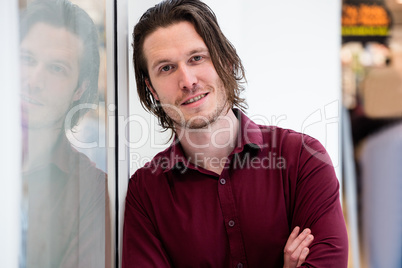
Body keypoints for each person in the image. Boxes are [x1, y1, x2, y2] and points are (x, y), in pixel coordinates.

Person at [123, 0, 348, 267]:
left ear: (226, 61)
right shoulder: (145, 192)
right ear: (152, 88)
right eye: (166, 68)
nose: (188, 81)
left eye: (197, 58)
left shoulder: (303, 159)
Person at [19, 0, 109, 267]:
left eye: (57, 68)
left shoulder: (89, 189)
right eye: (27, 59)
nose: (33, 81)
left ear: (79, 90)